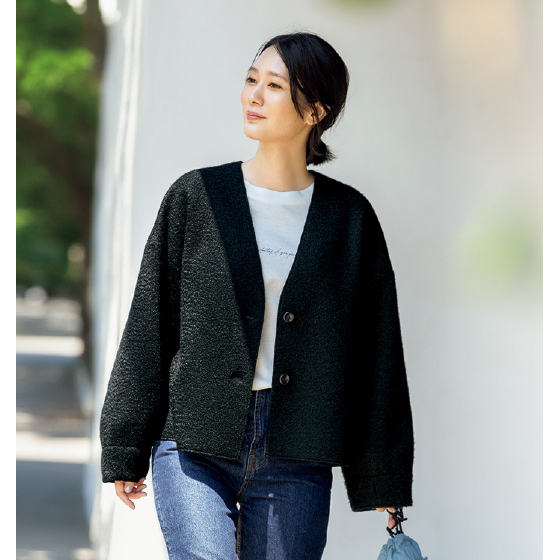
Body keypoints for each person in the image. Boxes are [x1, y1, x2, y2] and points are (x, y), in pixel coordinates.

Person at [100, 31, 414, 559]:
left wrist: (383, 475)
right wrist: (125, 443)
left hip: (298, 455)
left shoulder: (349, 219)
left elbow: (376, 354)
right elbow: (150, 325)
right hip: (195, 443)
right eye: (251, 80)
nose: (254, 95)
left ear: (315, 110)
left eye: (274, 86)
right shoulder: (197, 196)